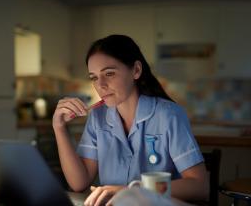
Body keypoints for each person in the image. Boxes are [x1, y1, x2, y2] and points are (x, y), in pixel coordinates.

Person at [52, 35, 208, 206]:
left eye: (109, 73)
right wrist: (58, 127)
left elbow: (199, 186)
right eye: (94, 77)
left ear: (136, 71)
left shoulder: (169, 115)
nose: (100, 85)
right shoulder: (97, 117)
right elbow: (78, 183)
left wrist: (134, 190)